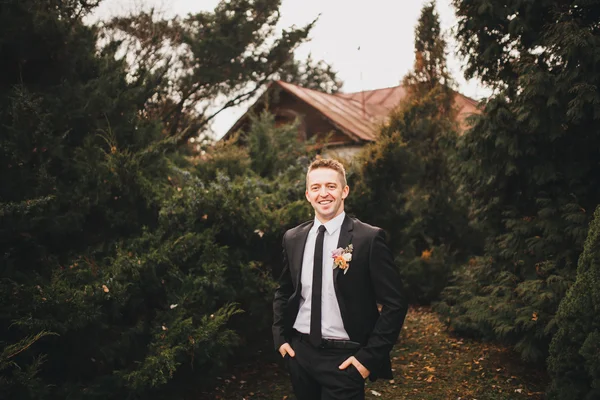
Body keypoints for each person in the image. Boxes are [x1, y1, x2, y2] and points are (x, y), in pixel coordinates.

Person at [272, 158, 408, 400]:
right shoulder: (293, 238)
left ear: (344, 191)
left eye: (331, 186)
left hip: (344, 360)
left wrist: (367, 359)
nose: (323, 193)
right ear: (307, 194)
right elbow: (284, 290)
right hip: (299, 355)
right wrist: (280, 338)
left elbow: (395, 303)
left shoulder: (368, 239)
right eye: (316, 188)